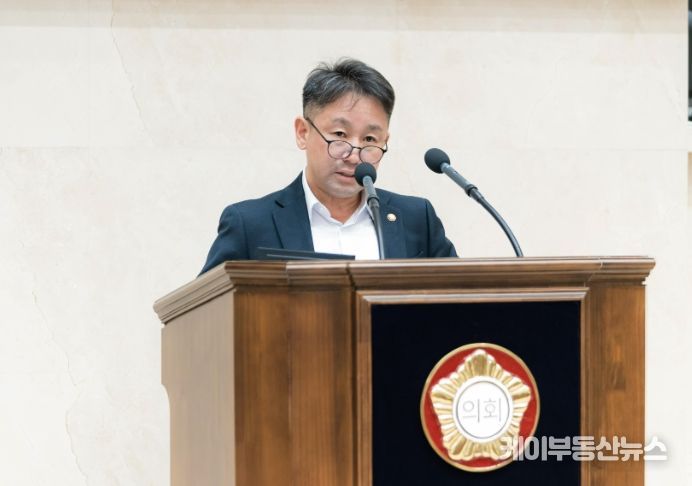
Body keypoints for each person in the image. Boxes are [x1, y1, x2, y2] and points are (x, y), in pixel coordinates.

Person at [200, 58, 456, 274]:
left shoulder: (416, 219)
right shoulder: (250, 224)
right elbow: (207, 310)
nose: (354, 155)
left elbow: (460, 302)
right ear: (303, 132)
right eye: (340, 134)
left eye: (369, 139)